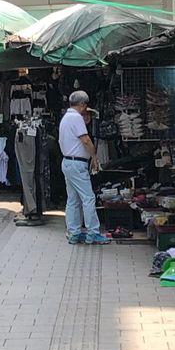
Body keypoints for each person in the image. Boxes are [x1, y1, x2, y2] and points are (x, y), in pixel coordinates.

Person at [60, 90, 107, 245]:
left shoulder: (66, 118)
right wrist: (94, 157)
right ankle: (93, 232)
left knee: (73, 199)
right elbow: (86, 140)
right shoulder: (75, 118)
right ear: (82, 104)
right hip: (77, 164)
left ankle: (74, 233)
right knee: (88, 197)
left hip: (67, 162)